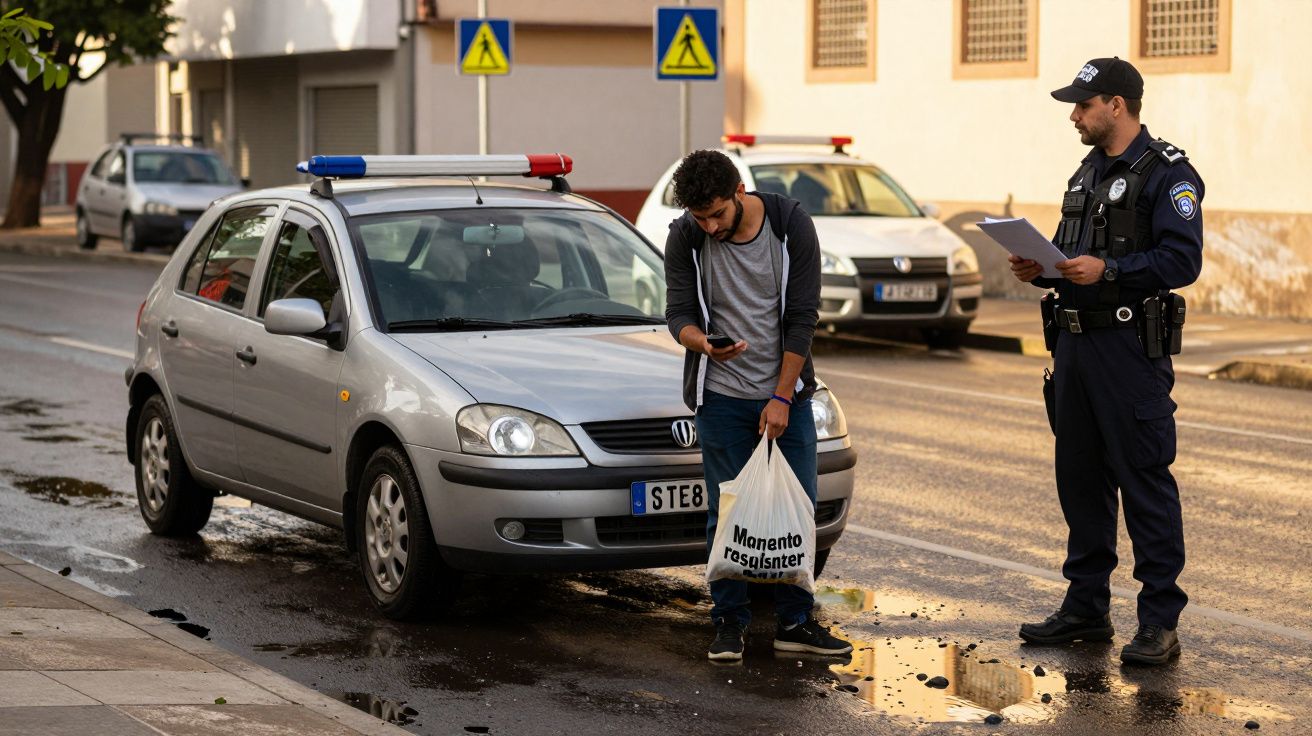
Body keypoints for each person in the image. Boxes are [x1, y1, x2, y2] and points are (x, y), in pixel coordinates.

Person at [1010, 57, 1204, 666]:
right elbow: (1073, 255)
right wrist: (1040, 269)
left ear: (1116, 105)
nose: (1074, 115)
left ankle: (1159, 621)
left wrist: (1112, 271)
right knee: (1081, 478)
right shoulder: (1087, 172)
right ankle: (1086, 608)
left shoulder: (1168, 174)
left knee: (1143, 477)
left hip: (1128, 350)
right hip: (1073, 346)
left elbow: (1182, 261)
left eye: (1084, 105)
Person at [663, 150, 851, 662]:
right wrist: (702, 343)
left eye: (717, 214)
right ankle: (728, 622)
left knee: (798, 509)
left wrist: (782, 397)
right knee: (726, 512)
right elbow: (677, 311)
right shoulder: (686, 235)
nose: (710, 226)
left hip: (783, 393)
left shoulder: (790, 225)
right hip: (720, 396)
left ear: (739, 191)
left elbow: (803, 317)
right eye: (700, 217)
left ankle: (795, 621)